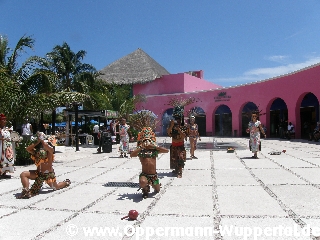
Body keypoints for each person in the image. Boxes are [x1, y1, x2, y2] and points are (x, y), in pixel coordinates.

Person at [17, 132, 71, 199]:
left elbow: (46, 146)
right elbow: (28, 149)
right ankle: (26, 190)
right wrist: (37, 142)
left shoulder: (50, 151)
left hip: (48, 174)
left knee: (55, 187)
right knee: (23, 174)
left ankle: (66, 183)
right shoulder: (36, 152)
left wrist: (42, 140)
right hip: (38, 173)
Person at [130, 127, 169, 199]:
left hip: (153, 175)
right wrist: (141, 147)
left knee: (157, 190)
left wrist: (153, 146)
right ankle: (145, 189)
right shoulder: (140, 152)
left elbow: (166, 150)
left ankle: (154, 185)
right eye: (145, 141)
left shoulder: (154, 150)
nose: (146, 142)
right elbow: (131, 155)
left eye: (148, 141)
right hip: (145, 175)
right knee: (142, 182)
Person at [0, 113, 15, 179]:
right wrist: (2, 139)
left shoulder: (6, 129)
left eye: (5, 120)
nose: (5, 121)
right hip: (0, 147)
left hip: (7, 148)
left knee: (6, 160)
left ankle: (4, 173)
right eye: (3, 120)